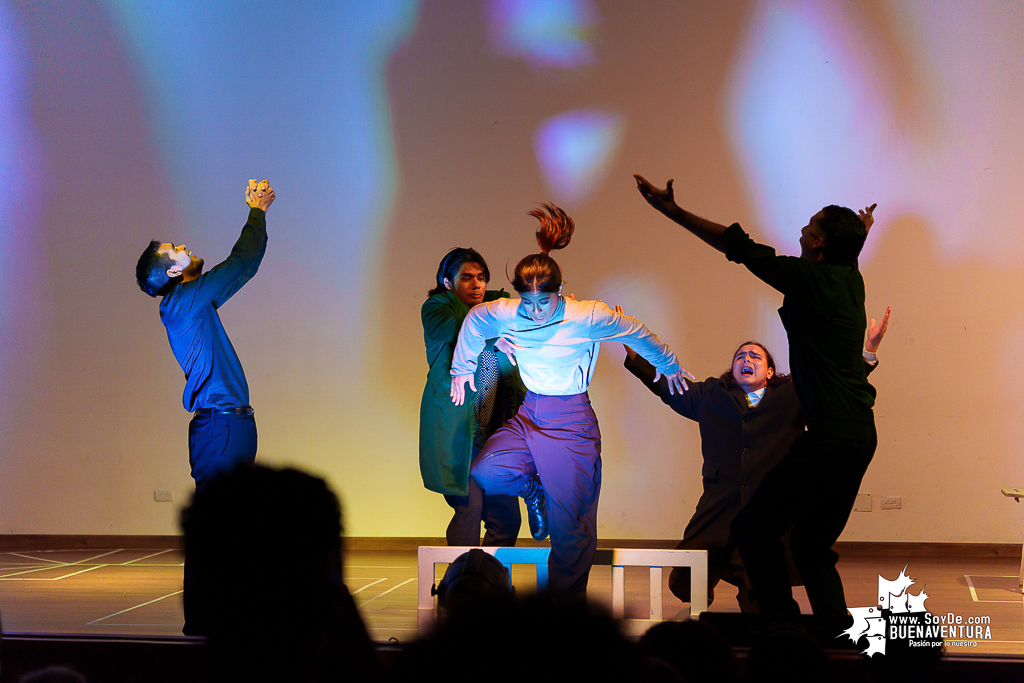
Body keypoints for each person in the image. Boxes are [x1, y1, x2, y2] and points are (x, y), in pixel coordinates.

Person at [635, 173, 879, 615]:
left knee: (753, 529)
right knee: (809, 546)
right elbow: (848, 255)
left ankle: (780, 629)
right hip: (860, 434)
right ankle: (834, 641)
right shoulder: (850, 279)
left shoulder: (809, 278)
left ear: (820, 245)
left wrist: (675, 213)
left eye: (810, 226)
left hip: (831, 435)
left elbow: (739, 247)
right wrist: (859, 233)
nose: (802, 230)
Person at [450, 204, 693, 599]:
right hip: (530, 414)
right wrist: (462, 368)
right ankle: (535, 491)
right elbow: (476, 321)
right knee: (485, 470)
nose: (533, 312)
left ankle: (563, 616)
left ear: (558, 293)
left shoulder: (587, 315)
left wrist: (668, 363)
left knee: (571, 531)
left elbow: (635, 330)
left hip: (571, 425)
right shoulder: (510, 312)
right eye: (526, 304)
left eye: (541, 303)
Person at [624, 323, 887, 611]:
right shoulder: (710, 394)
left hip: (767, 506)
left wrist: (868, 352)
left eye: (755, 357)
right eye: (740, 357)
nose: (746, 360)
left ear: (770, 372)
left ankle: (758, 602)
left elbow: (836, 386)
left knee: (761, 593)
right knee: (683, 581)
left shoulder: (793, 395)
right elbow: (666, 385)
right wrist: (635, 351)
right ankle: (705, 590)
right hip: (719, 505)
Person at [134, 178, 274, 633]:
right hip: (221, 428)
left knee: (229, 525)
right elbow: (242, 262)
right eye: (175, 249)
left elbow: (238, 272)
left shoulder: (190, 302)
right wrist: (256, 211)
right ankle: (203, 624)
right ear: (173, 273)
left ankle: (221, 617)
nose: (185, 246)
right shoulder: (183, 302)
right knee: (218, 528)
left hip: (226, 427)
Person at [420, 248, 526, 546]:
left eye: (481, 277)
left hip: (494, 435)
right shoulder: (437, 307)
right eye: (466, 278)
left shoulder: (497, 305)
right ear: (447, 281)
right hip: (457, 433)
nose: (476, 284)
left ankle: (491, 584)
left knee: (506, 519)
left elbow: (525, 315)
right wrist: (498, 334)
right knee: (470, 507)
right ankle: (461, 583)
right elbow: (461, 329)